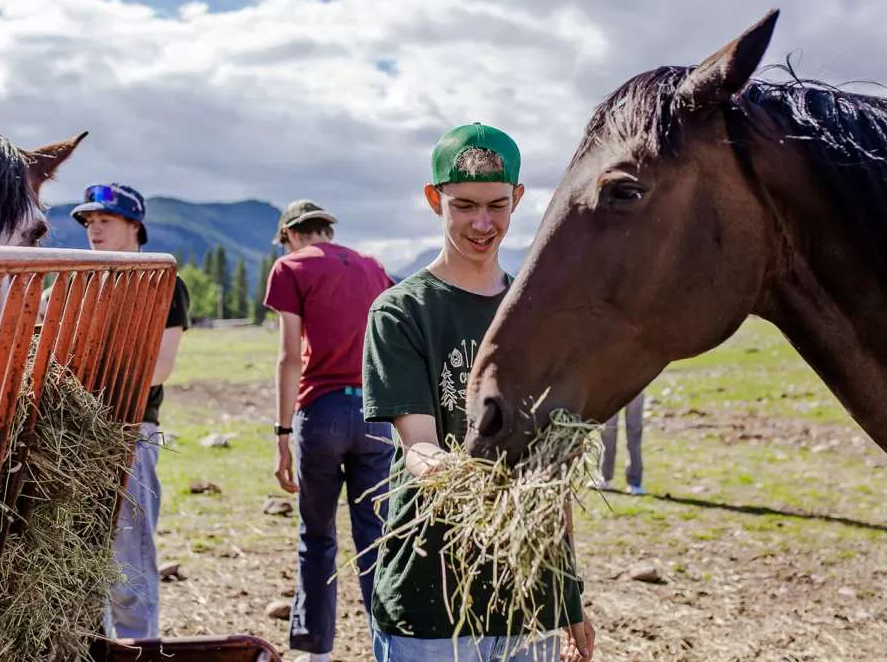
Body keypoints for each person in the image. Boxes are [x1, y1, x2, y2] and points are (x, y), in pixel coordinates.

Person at [362, 123, 595, 662]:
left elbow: (551, 470)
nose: (482, 223)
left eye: (496, 204)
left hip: (527, 600)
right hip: (431, 597)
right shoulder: (401, 312)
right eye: (463, 204)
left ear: (517, 198)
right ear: (433, 199)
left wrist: (568, 595)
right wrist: (477, 481)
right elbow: (419, 445)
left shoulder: (538, 316)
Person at [264, 199, 396, 662]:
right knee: (376, 538)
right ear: (326, 231)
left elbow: (287, 356)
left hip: (320, 414)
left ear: (292, 235)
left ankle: (315, 652)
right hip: (376, 417)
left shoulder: (290, 268)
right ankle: (391, 647)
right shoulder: (372, 267)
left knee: (317, 537)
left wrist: (282, 434)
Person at [70, 183, 190, 639]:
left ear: (135, 225)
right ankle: (94, 647)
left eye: (105, 220)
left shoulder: (163, 281)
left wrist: (89, 383)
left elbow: (160, 367)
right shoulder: (78, 279)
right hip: (73, 434)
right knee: (75, 556)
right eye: (88, 221)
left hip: (130, 431)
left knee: (128, 557)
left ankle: (140, 646)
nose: (93, 228)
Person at [592, 392, 646, 496]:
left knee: (634, 429)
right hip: (611, 385)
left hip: (636, 383)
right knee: (607, 429)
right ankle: (604, 478)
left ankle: (635, 483)